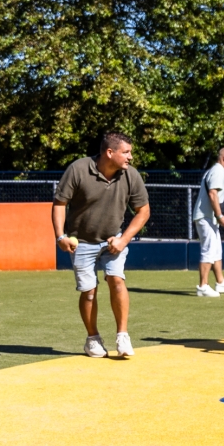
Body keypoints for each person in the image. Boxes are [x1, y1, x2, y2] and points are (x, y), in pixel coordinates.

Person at [53, 132, 151, 359]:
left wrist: (123, 239)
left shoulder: (131, 175)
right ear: (110, 152)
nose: (130, 157)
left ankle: (122, 336)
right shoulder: (78, 169)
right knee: (89, 293)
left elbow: (143, 211)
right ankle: (92, 339)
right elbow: (59, 203)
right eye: (126, 152)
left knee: (117, 280)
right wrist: (60, 237)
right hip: (82, 243)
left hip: (113, 240)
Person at [195, 147, 224, 298]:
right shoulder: (218, 171)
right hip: (206, 217)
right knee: (208, 250)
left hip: (210, 217)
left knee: (216, 250)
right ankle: (203, 286)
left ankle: (220, 283)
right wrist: (220, 215)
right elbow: (212, 193)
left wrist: (220, 216)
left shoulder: (215, 170)